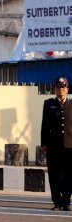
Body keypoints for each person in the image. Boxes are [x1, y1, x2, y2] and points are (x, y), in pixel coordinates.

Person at [41, 76, 72, 211]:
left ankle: (66, 201)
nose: (61, 90)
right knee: (54, 175)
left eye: (63, 87)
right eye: (58, 87)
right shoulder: (49, 104)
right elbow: (44, 125)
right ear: (55, 89)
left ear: (67, 89)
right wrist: (43, 144)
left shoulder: (71, 105)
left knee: (69, 175)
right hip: (53, 147)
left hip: (69, 146)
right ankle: (57, 202)